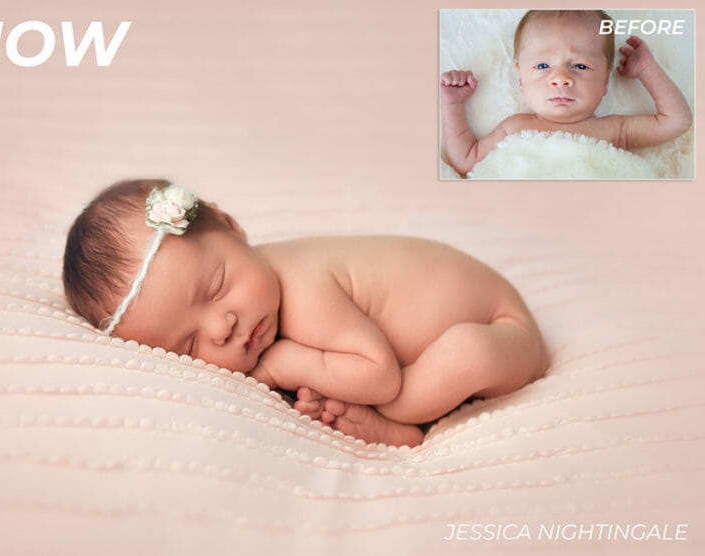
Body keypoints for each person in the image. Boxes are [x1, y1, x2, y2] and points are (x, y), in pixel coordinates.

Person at [63, 179, 548, 447]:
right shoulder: (259, 291)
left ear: (232, 226)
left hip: (503, 332)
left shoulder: (302, 286)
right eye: (188, 345)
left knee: (457, 357)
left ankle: (403, 431)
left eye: (217, 286)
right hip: (466, 324)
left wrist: (281, 365)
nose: (222, 326)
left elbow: (380, 378)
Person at [440, 10, 692, 177]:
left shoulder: (616, 130)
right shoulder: (515, 128)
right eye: (542, 66)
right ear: (521, 79)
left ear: (605, 81)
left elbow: (676, 121)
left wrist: (648, 70)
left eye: (580, 66)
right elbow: (465, 161)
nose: (560, 79)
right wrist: (454, 105)